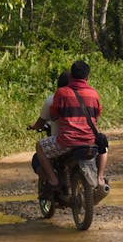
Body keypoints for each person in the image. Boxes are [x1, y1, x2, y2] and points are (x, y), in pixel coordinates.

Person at [35, 60, 109, 191]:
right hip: (89, 140)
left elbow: (54, 116)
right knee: (104, 144)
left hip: (66, 141)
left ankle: (53, 180)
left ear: (72, 76)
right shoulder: (93, 93)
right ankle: (100, 177)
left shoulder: (61, 93)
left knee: (39, 146)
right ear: (87, 76)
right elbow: (97, 116)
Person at [27, 70, 71, 137]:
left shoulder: (52, 99)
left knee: (39, 145)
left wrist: (33, 126)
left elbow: (39, 124)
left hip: (60, 140)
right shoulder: (84, 99)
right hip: (83, 140)